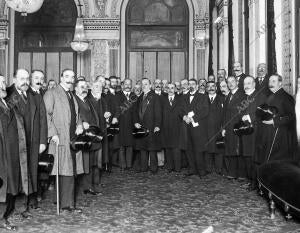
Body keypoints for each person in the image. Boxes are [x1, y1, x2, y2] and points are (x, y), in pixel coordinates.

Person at [6, 68, 47, 216]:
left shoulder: (34, 95)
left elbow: (42, 119)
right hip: (16, 144)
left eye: (26, 79)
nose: (25, 82)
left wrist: (42, 141)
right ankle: (16, 207)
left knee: (31, 172)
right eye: (21, 79)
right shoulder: (8, 94)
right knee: (17, 174)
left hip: (33, 141)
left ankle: (27, 203)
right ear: (14, 78)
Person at [43, 68, 84, 213]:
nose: (70, 79)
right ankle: (66, 205)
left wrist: (79, 125)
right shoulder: (52, 93)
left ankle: (63, 201)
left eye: (72, 77)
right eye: (67, 76)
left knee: (70, 170)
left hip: (72, 139)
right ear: (61, 77)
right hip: (60, 138)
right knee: (65, 171)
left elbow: (77, 115)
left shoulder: (72, 95)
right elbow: (46, 115)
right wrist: (52, 133)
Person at [0, 75, 29, 230]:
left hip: (13, 152)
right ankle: (1, 218)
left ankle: (5, 214)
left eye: (4, 82)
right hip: (2, 153)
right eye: (2, 83)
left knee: (11, 184)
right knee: (3, 185)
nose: (5, 85)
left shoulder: (6, 102)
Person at [254, 74, 297, 165]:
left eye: (274, 81)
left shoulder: (286, 97)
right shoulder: (271, 96)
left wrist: (274, 121)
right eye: (269, 81)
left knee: (276, 163)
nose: (270, 84)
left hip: (280, 136)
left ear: (280, 83)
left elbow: (291, 117)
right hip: (268, 134)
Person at [74, 77, 102, 196]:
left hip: (93, 136)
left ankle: (92, 185)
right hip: (83, 138)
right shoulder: (74, 100)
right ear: (75, 89)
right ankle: (87, 187)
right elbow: (75, 116)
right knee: (86, 164)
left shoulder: (88, 100)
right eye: (81, 87)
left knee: (93, 163)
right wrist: (81, 123)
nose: (84, 89)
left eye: (86, 86)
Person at [240, 76, 267, 190]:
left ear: (254, 84)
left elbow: (263, 113)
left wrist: (250, 117)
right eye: (245, 83)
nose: (246, 85)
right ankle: (250, 180)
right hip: (246, 132)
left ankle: (256, 183)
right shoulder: (245, 97)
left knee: (254, 157)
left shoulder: (260, 96)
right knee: (247, 157)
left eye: (249, 83)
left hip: (256, 132)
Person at [181, 79, 209, 178]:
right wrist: (184, 117)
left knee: (198, 149)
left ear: (197, 86)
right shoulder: (183, 97)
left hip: (198, 128)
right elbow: (180, 110)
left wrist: (192, 118)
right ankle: (192, 169)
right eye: (190, 84)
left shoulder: (203, 97)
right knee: (189, 148)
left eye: (193, 84)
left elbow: (205, 111)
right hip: (186, 127)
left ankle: (201, 171)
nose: (191, 85)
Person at [133, 78, 162, 173]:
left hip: (151, 125)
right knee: (142, 148)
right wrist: (136, 122)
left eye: (146, 84)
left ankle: (153, 168)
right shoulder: (140, 96)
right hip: (141, 126)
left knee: (152, 148)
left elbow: (158, 112)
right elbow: (136, 112)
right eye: (142, 84)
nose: (144, 86)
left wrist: (157, 125)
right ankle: (143, 167)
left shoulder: (155, 96)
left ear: (150, 85)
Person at [222, 76, 246, 179]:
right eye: (228, 82)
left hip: (238, 126)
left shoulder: (242, 95)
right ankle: (232, 172)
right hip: (229, 127)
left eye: (232, 81)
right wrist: (223, 128)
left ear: (237, 82)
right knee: (231, 149)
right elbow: (224, 113)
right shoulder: (228, 96)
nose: (230, 84)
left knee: (239, 150)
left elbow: (243, 111)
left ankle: (241, 174)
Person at [161, 83, 182, 173]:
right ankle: (170, 167)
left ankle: (177, 168)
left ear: (175, 89)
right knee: (168, 148)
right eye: (168, 88)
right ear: (166, 89)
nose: (170, 90)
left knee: (176, 149)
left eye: (172, 88)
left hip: (177, 128)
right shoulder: (162, 99)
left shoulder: (180, 99)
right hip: (166, 128)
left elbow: (182, 112)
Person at [205, 81, 224, 175]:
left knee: (218, 148)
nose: (211, 88)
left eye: (213, 86)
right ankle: (208, 168)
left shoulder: (222, 99)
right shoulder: (202, 99)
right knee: (208, 148)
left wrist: (223, 127)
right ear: (206, 89)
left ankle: (218, 169)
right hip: (206, 128)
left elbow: (225, 115)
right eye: (208, 86)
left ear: (216, 88)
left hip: (218, 128)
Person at [117, 79, 136, 170]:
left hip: (131, 124)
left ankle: (129, 165)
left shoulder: (134, 96)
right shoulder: (118, 96)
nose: (128, 86)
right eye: (126, 84)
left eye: (129, 84)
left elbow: (136, 111)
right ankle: (122, 165)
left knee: (130, 145)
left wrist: (135, 122)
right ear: (122, 85)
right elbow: (117, 110)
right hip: (121, 123)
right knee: (121, 145)